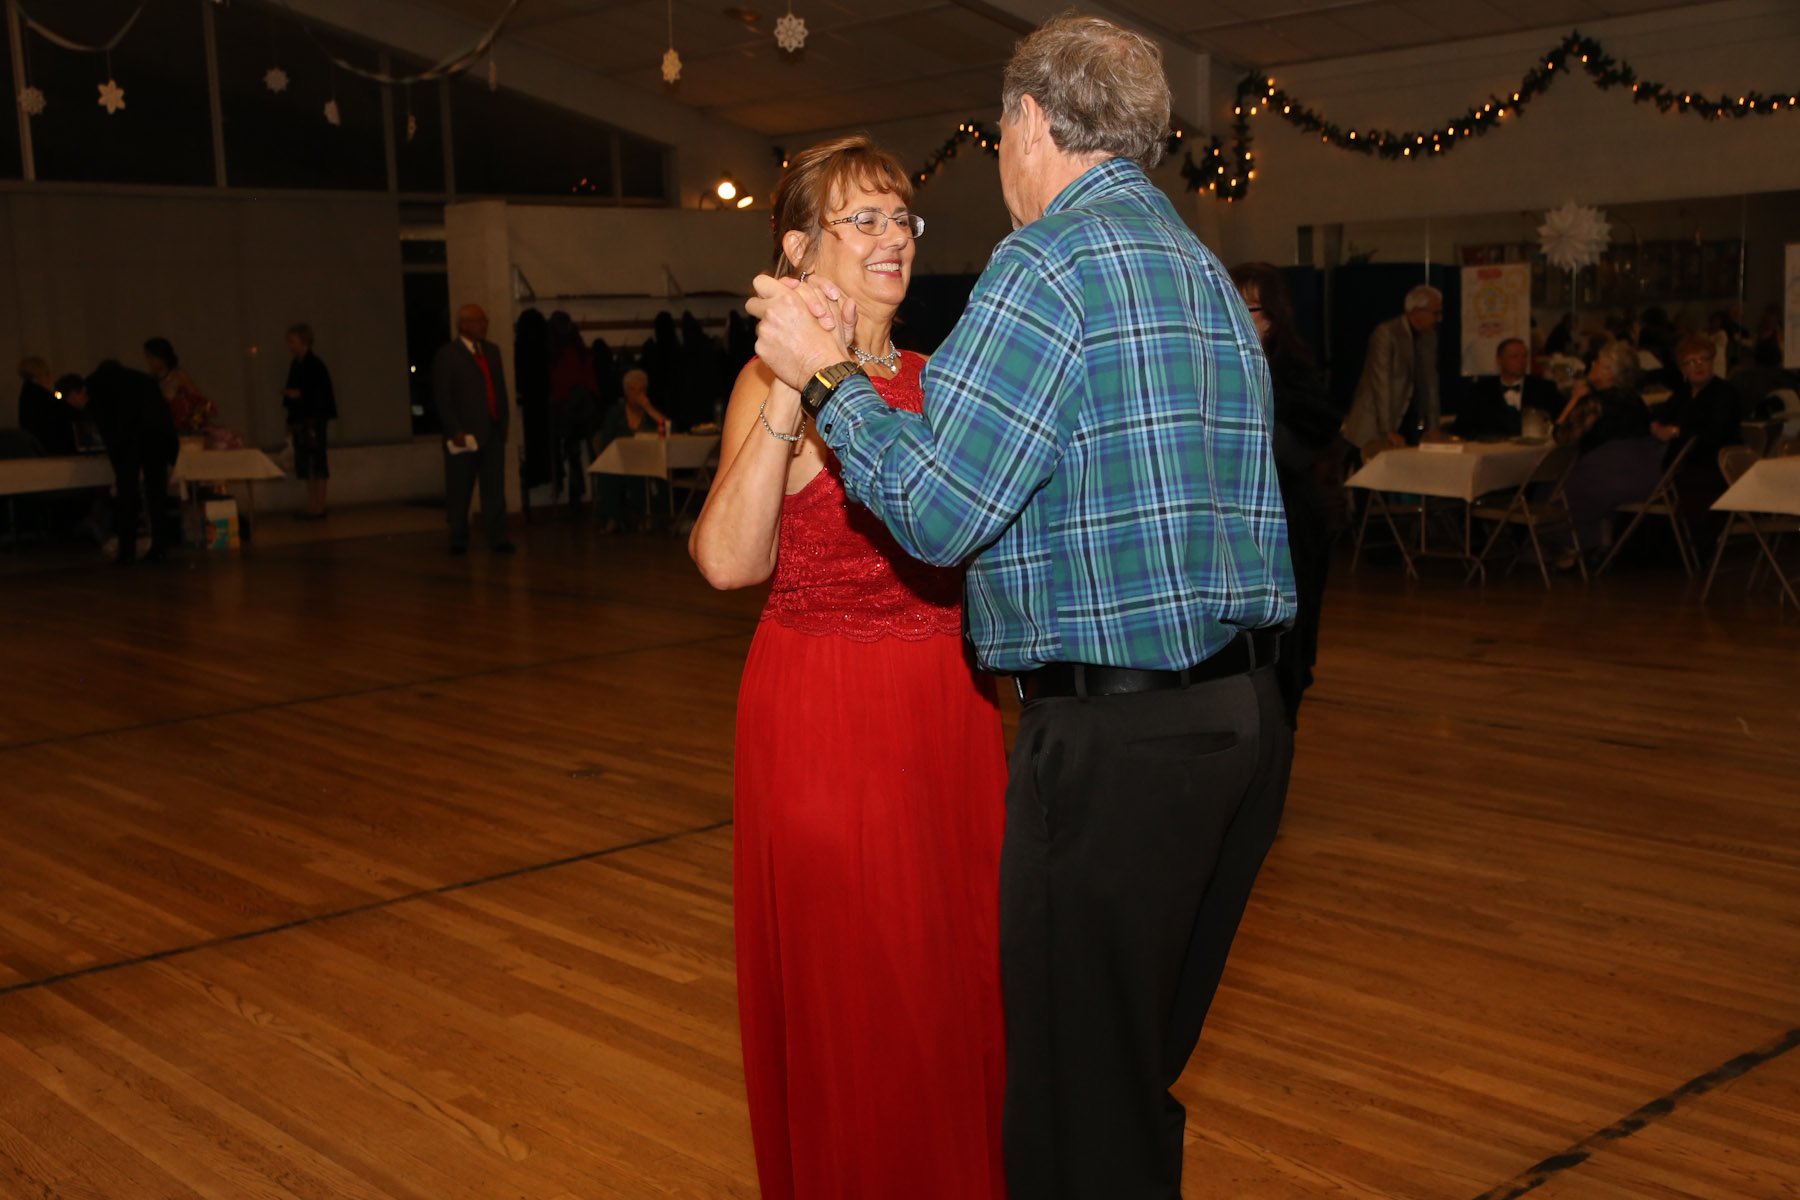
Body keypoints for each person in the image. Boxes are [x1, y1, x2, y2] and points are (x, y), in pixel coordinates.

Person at [747, 17, 1295, 1198]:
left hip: (1120, 743)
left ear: (1031, 123)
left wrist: (826, 378)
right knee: (1128, 1081)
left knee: (1070, 1105)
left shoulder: (1045, 265)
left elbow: (940, 515)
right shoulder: (1198, 266)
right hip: (1243, 721)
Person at [690, 135, 1008, 1200]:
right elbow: (728, 563)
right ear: (797, 247)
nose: (891, 240)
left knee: (954, 976)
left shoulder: (942, 382)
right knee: (859, 985)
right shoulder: (760, 388)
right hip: (822, 716)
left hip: (948, 708)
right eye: (861, 219)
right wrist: (796, 385)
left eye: (900, 219)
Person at [1230, 262, 1337, 727]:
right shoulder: (1211, 363)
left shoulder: (1292, 374)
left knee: (1288, 650)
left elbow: (1306, 442)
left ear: (1271, 318)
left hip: (1290, 523)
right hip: (1237, 527)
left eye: (1248, 307)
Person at [56, 363, 178, 565]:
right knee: (156, 494)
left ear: (76, 392)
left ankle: (127, 550)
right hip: (156, 439)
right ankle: (160, 547)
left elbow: (110, 430)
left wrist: (118, 460)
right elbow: (163, 415)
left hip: (128, 444)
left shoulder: (98, 392)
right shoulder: (141, 380)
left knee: (127, 495)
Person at [1553, 340, 1659, 568]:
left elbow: (1561, 436)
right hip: (1644, 478)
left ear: (1610, 372)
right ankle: (1603, 545)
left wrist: (1575, 398)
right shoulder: (1636, 400)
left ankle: (1572, 548)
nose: (1592, 365)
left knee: (1552, 486)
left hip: (1606, 481)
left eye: (1598, 363)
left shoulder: (1594, 403)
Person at [431, 304, 515, 555]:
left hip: (492, 430)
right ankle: (458, 538)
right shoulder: (448, 355)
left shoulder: (492, 351)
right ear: (463, 325)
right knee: (460, 488)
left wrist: (503, 422)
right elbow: (443, 397)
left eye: (484, 320)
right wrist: (454, 429)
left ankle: (498, 537)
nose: (484, 325)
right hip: (463, 435)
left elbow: (499, 389)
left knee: (494, 488)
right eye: (478, 320)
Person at [1341, 283, 1443, 456]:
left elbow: (1430, 382)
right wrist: (1388, 429)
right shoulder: (1387, 333)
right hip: (1376, 421)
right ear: (1416, 311)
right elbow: (1381, 382)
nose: (1439, 319)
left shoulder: (1429, 336)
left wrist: (1433, 425)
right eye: (1435, 313)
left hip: (1408, 418)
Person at [591, 367, 670, 533]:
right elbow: (607, 442)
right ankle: (613, 518)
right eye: (633, 390)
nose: (637, 395)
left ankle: (656, 517)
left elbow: (668, 430)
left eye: (641, 390)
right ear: (626, 392)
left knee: (660, 473)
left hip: (647, 461)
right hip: (620, 461)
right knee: (609, 473)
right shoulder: (615, 413)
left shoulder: (650, 415)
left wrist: (649, 409)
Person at [281, 323, 337, 519]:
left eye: (293, 341)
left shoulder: (315, 365)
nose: (290, 345)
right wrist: (290, 421)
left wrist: (300, 394)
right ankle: (313, 504)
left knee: (317, 461)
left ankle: (319, 505)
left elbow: (320, 394)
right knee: (305, 462)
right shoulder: (296, 365)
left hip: (314, 420)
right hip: (300, 420)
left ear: (304, 342)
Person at [1458, 338, 1562, 439]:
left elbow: (1560, 420)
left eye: (1524, 356)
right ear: (1499, 360)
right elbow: (1463, 427)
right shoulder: (1481, 390)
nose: (1521, 361)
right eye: (1514, 356)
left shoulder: (1544, 388)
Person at [546, 311, 599, 504]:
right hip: (583, 408)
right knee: (588, 454)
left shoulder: (555, 350)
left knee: (573, 452)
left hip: (566, 411)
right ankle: (590, 496)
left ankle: (576, 494)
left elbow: (559, 384)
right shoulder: (577, 346)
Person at [143, 337, 217, 433]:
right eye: (148, 357)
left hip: (181, 430)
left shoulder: (179, 377)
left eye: (152, 357)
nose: (149, 361)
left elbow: (200, 402)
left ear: (162, 357)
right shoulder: (150, 381)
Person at [17, 357, 76, 455]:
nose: (50, 377)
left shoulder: (28, 395)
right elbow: (66, 414)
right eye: (46, 374)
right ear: (36, 377)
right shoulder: (41, 397)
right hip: (50, 450)